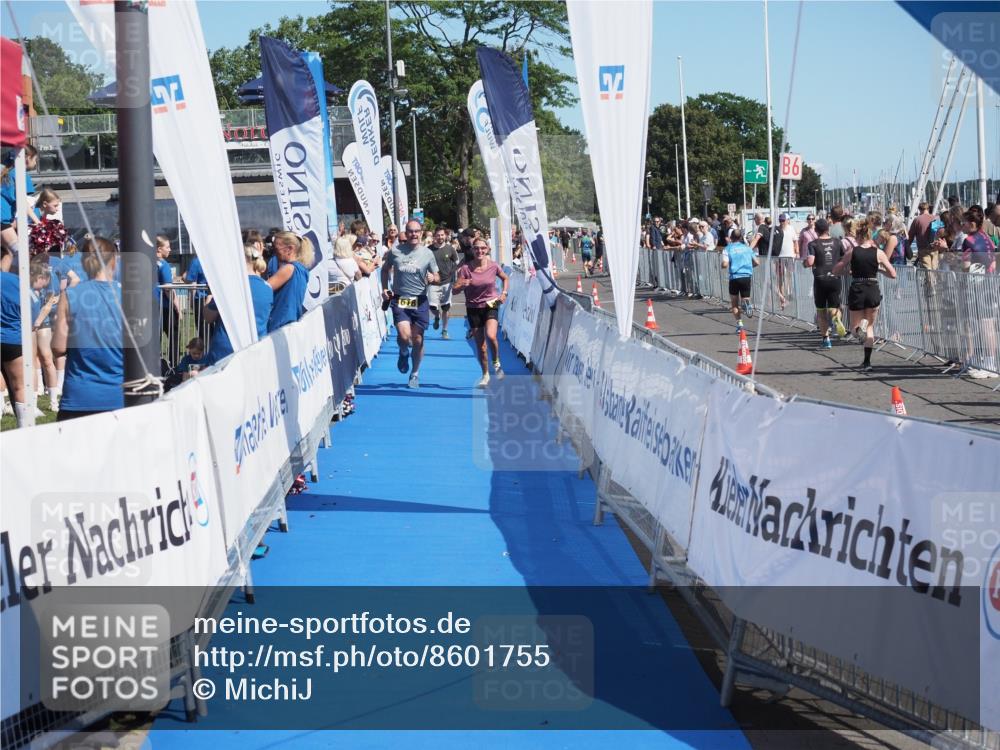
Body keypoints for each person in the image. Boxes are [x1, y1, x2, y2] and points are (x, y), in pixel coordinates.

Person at [51, 237, 124, 419]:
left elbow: (58, 347)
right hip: (120, 397)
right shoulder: (131, 296)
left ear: (84, 263)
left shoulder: (70, 295)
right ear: (114, 262)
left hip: (79, 397)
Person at [832, 217, 897, 372]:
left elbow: (836, 269)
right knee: (870, 328)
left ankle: (858, 331)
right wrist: (879, 270)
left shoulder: (853, 251)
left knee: (854, 328)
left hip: (857, 288)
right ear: (869, 236)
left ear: (858, 237)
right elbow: (893, 274)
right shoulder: (879, 253)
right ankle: (867, 362)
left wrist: (846, 271)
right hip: (873, 288)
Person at [381, 219, 439, 388]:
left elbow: (437, 276)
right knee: (405, 336)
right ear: (406, 233)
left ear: (421, 233)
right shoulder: (396, 251)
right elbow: (385, 269)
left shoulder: (427, 253)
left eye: (417, 231)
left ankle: (414, 374)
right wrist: (385, 288)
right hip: (400, 299)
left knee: (418, 339)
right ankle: (404, 351)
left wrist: (432, 278)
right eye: (410, 231)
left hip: (420, 300)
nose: (414, 234)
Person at [205, 242, 273, 364]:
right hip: (256, 349)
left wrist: (209, 298)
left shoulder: (230, 285)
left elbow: (209, 317)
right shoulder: (267, 288)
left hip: (226, 351)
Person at [454, 237, 509, 387]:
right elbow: (454, 290)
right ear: (472, 250)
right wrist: (463, 284)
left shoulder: (493, 266)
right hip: (473, 308)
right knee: (481, 347)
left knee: (491, 336)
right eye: (477, 248)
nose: (480, 251)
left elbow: (505, 278)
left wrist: (504, 293)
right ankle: (485, 374)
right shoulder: (465, 269)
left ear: (487, 250)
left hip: (490, 304)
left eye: (483, 248)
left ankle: (496, 363)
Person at [804, 219, 847, 349]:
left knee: (821, 311)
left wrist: (804, 263)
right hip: (835, 277)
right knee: (834, 307)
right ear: (828, 229)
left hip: (820, 278)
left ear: (816, 230)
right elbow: (843, 259)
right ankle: (836, 319)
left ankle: (826, 339)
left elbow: (810, 262)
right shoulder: (837, 242)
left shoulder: (813, 244)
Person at [0, 245, 29, 426]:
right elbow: (30, 308)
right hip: (13, 339)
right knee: (19, 386)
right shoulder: (16, 281)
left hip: (10, 336)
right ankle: (24, 427)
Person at [266, 231, 313, 332]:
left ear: (290, 249)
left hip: (280, 323)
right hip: (291, 321)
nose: (274, 253)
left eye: (276, 249)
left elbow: (263, 289)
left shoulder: (289, 268)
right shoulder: (302, 269)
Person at [29, 260, 60, 410]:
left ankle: (54, 401)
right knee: (32, 358)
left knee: (47, 358)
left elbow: (48, 305)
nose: (45, 283)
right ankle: (35, 397)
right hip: (28, 323)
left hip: (42, 322)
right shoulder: (26, 282)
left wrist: (37, 322)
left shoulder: (49, 281)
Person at [1, 145, 39, 253]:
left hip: (4, 217)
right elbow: (22, 203)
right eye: (35, 159)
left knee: (8, 254)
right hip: (1, 218)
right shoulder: (21, 174)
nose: (36, 163)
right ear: (27, 158)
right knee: (21, 253)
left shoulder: (7, 171)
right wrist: (38, 222)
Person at [721, 228, 760, 330]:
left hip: (734, 276)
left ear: (731, 238)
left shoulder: (727, 248)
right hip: (746, 276)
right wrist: (749, 266)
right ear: (741, 237)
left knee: (734, 303)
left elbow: (725, 264)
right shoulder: (747, 248)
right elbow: (757, 262)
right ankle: (747, 303)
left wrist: (723, 265)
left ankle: (740, 324)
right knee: (745, 297)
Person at [427, 227, 460, 339]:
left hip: (447, 282)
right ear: (434, 236)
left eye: (442, 235)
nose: (440, 237)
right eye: (438, 235)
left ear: (445, 236)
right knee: (432, 306)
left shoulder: (450, 249)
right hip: (433, 283)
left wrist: (455, 277)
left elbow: (457, 263)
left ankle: (444, 330)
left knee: (446, 307)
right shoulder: (429, 250)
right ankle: (437, 316)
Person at [155, 235, 181, 366]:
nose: (170, 250)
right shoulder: (163, 264)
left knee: (155, 338)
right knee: (174, 335)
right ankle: (175, 364)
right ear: (159, 249)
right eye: (168, 247)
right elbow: (168, 289)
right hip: (164, 307)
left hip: (150, 306)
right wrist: (177, 306)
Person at [908, 201, 936, 269]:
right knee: (935, 269)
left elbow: (910, 236)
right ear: (928, 209)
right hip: (935, 248)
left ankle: (930, 280)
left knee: (927, 270)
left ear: (919, 209)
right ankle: (936, 280)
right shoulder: (935, 218)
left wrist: (906, 247)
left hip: (923, 249)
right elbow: (940, 232)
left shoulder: (917, 220)